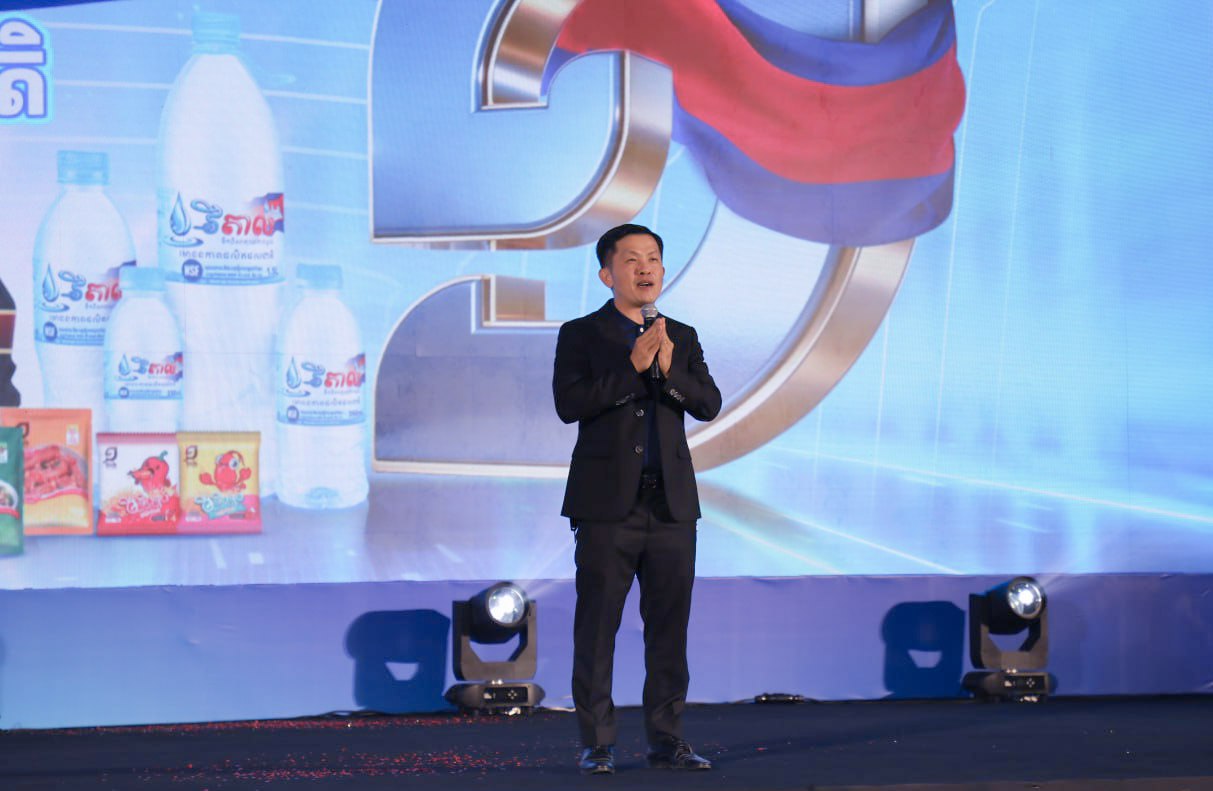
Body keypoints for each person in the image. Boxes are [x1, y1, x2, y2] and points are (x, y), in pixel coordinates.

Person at [553, 223, 722, 775]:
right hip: (607, 509)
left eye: (653, 258)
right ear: (608, 275)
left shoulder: (683, 336)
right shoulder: (582, 334)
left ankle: (667, 740)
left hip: (671, 508)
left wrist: (668, 368)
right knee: (597, 628)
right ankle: (597, 743)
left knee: (669, 631)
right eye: (631, 260)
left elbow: (708, 404)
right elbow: (570, 404)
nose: (644, 268)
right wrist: (631, 367)